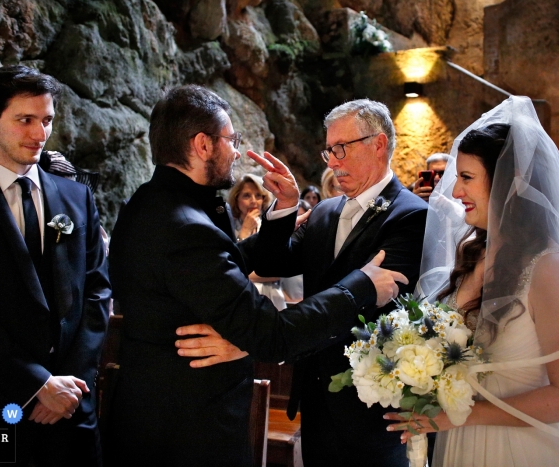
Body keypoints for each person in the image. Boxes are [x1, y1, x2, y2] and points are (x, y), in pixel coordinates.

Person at [105, 85, 407, 467]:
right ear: (202, 144)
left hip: (155, 415)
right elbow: (271, 335)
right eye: (232, 140)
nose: (235, 150)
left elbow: (221, 265)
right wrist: (359, 287)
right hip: (187, 429)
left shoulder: (147, 204)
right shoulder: (187, 228)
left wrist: (281, 215)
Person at [386, 96, 559, 466]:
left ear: (508, 183)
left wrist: (462, 414)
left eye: (466, 178)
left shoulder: (550, 267)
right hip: (458, 445)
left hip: (519, 449)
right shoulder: (474, 255)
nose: (455, 192)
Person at [181, 99, 429, 465]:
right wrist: (284, 208)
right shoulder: (326, 210)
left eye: (342, 148)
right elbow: (270, 263)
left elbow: (375, 313)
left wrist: (261, 342)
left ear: (378, 144)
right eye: (329, 149)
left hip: (369, 408)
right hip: (315, 401)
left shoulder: (411, 216)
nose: (332, 161)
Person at [0, 65, 111, 466]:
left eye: (47, 120)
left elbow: (96, 291)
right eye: (25, 120)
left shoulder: (77, 198)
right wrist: (36, 383)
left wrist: (68, 387)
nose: (40, 134)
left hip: (72, 406)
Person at [229, 173, 286, 309]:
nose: (253, 201)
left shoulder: (271, 227)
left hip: (271, 297)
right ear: (236, 200)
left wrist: (242, 276)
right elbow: (228, 265)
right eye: (246, 195)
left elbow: (277, 271)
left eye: (258, 195)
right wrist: (244, 232)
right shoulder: (228, 228)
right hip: (241, 299)